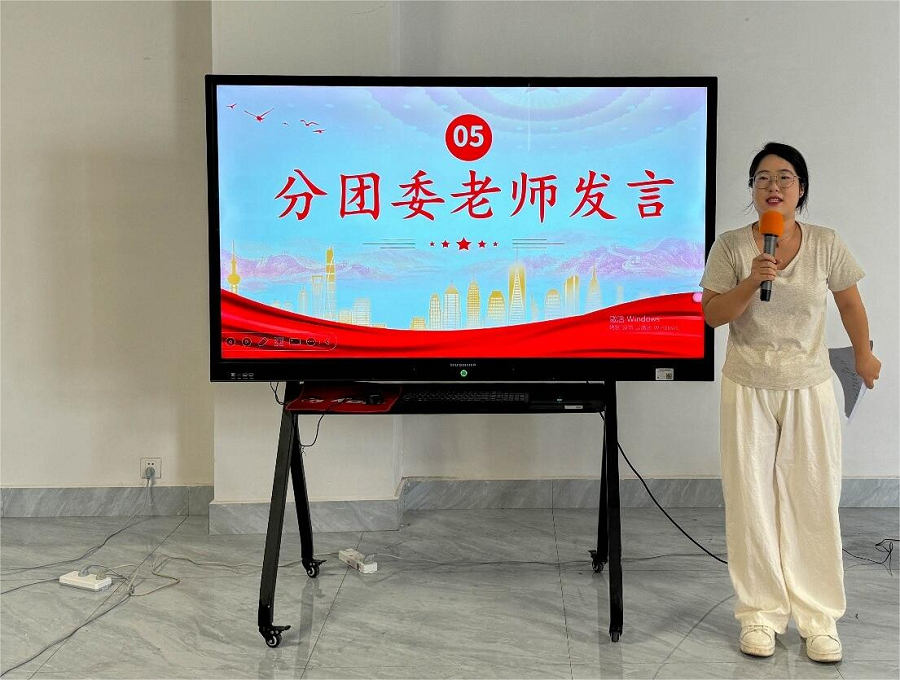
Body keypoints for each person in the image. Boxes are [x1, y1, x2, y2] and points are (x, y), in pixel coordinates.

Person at [698, 142, 881, 663]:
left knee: (813, 498)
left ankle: (819, 619)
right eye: (762, 178)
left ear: (801, 188)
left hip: (809, 385)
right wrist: (753, 280)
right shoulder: (731, 246)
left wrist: (863, 356)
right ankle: (759, 614)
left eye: (784, 177)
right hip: (747, 385)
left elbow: (850, 303)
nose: (773, 186)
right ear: (752, 190)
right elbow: (713, 315)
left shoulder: (826, 242)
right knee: (751, 500)